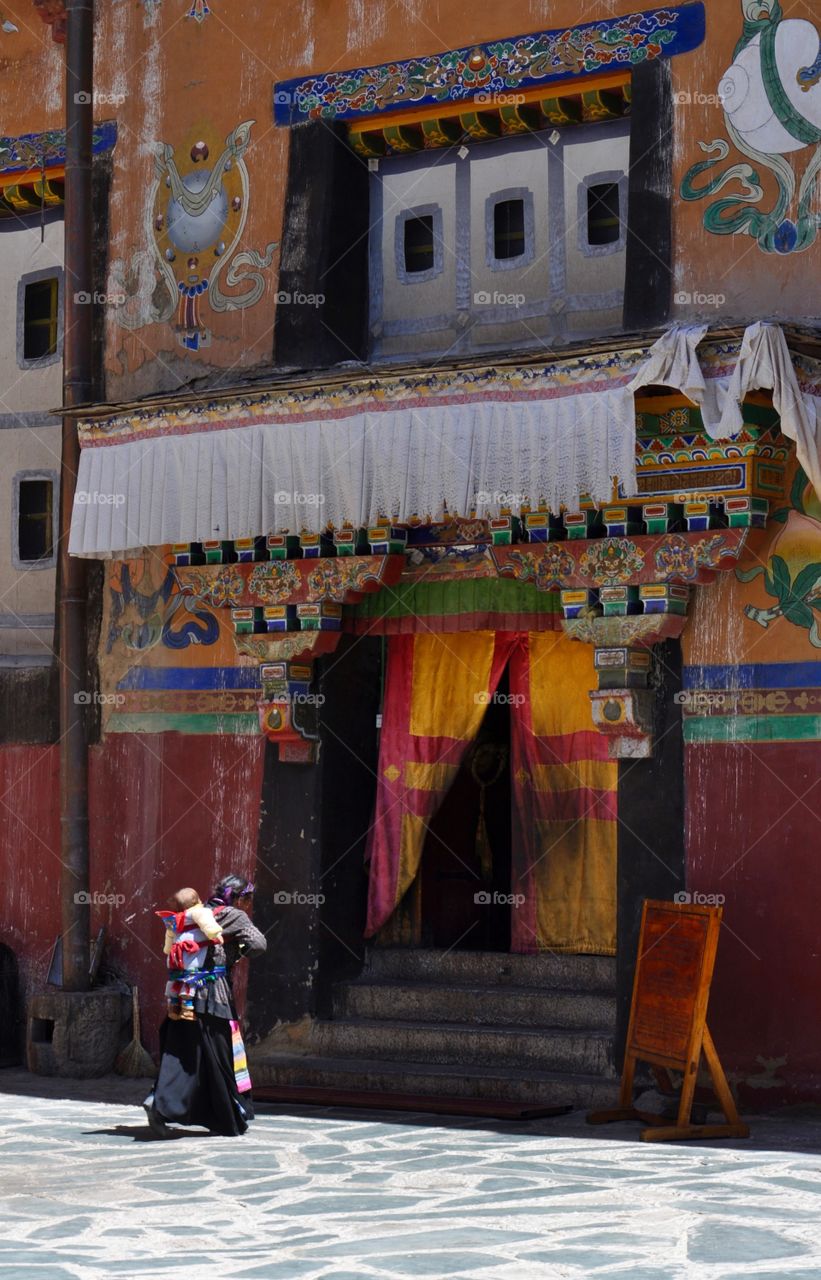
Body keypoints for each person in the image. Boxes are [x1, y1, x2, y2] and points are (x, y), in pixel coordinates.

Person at [144, 873, 266, 1138]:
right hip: (214, 996)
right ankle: (223, 1114)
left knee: (182, 1054)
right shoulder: (234, 916)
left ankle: (157, 1100)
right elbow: (259, 943)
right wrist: (234, 953)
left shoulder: (194, 914)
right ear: (238, 897)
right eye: (247, 899)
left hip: (181, 995)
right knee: (219, 1056)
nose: (247, 905)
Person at [157, 887, 224, 1021]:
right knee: (190, 980)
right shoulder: (200, 912)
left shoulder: (174, 919)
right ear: (198, 900)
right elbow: (208, 925)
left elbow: (169, 937)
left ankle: (173, 1007)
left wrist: (167, 950)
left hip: (174, 956)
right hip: (189, 955)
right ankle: (187, 1010)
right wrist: (216, 935)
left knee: (176, 978)